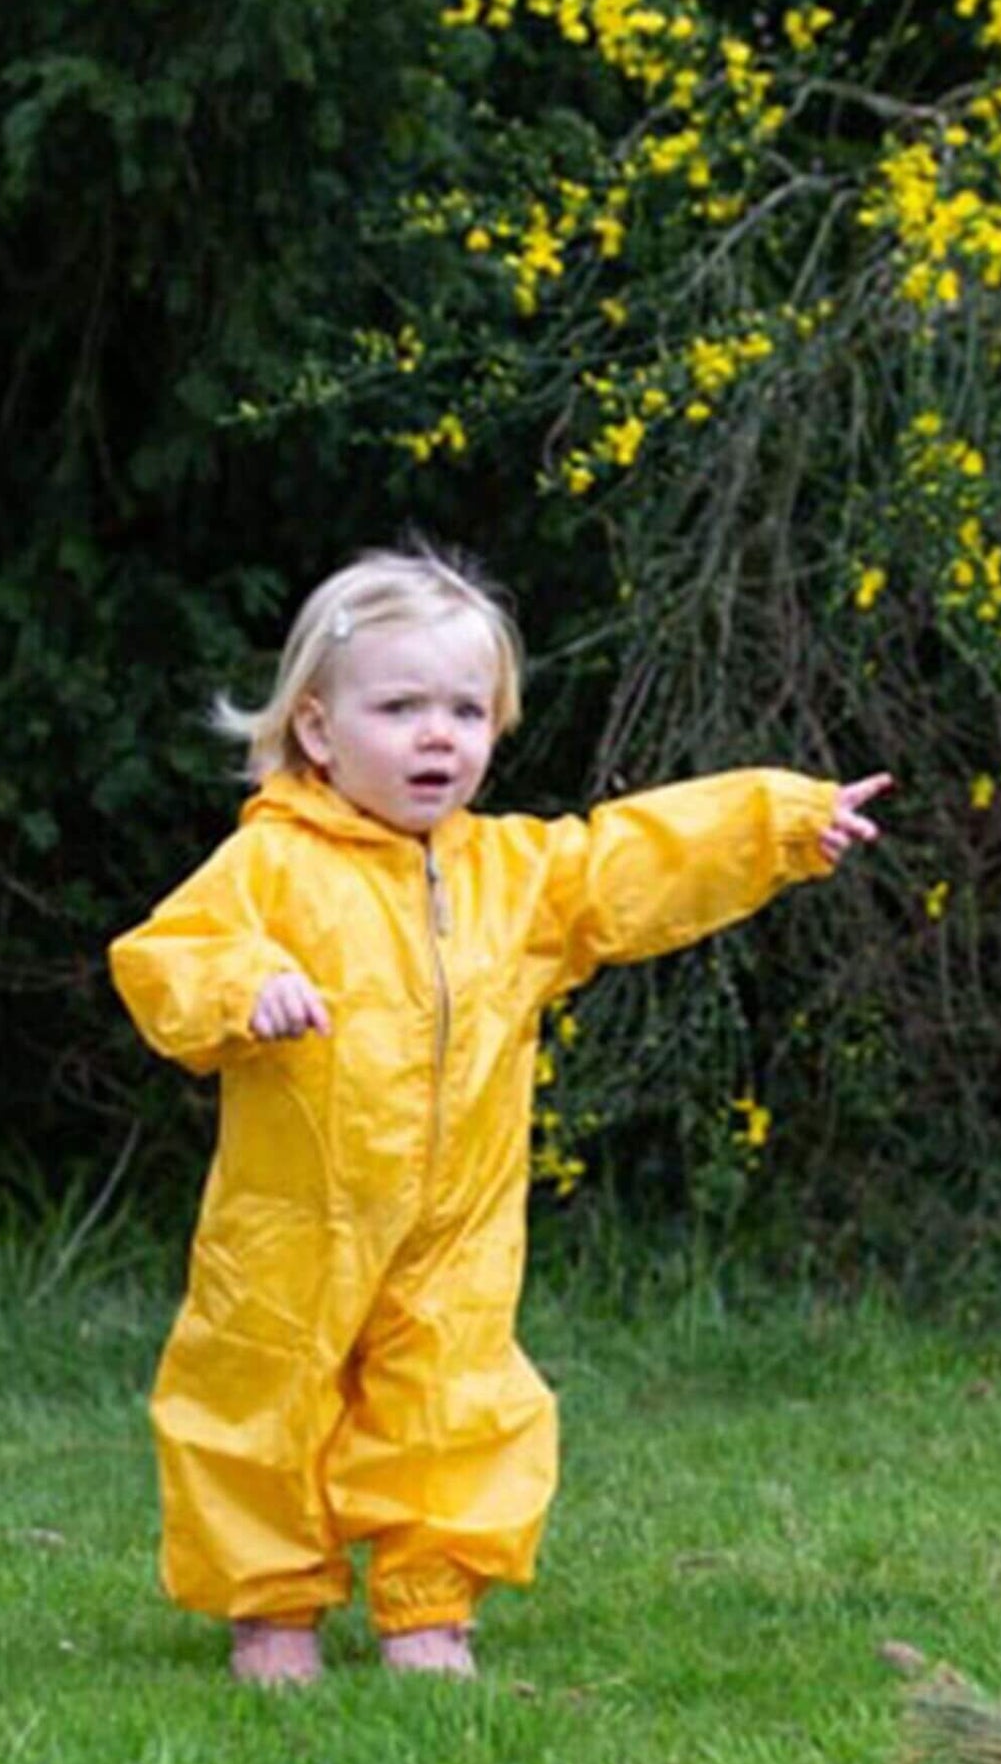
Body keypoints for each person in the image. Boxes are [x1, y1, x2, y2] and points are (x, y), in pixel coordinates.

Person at [108, 540, 891, 1686]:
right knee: (258, 1390)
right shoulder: (269, 865)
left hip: (458, 1222)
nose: (438, 734)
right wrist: (244, 988)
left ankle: (429, 1604)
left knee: (454, 1398)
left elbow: (631, 863)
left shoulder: (512, 876)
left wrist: (773, 823)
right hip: (294, 1218)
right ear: (319, 731)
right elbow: (167, 955)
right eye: (400, 706)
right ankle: (270, 1609)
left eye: (467, 709)